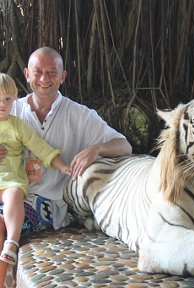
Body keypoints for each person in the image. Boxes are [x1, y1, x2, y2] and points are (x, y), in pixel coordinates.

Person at [0, 45, 131, 262]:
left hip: (47, 203)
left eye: (52, 72)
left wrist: (96, 149)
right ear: (26, 74)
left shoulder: (79, 115)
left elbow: (124, 145)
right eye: (38, 72)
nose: (44, 78)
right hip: (7, 191)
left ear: (63, 76)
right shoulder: (11, 108)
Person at [0, 73, 71, 283]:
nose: (2, 104)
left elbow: (41, 149)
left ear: (15, 99)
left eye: (7, 99)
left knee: (14, 196)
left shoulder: (18, 125)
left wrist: (63, 166)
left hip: (11, 182)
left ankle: (12, 244)